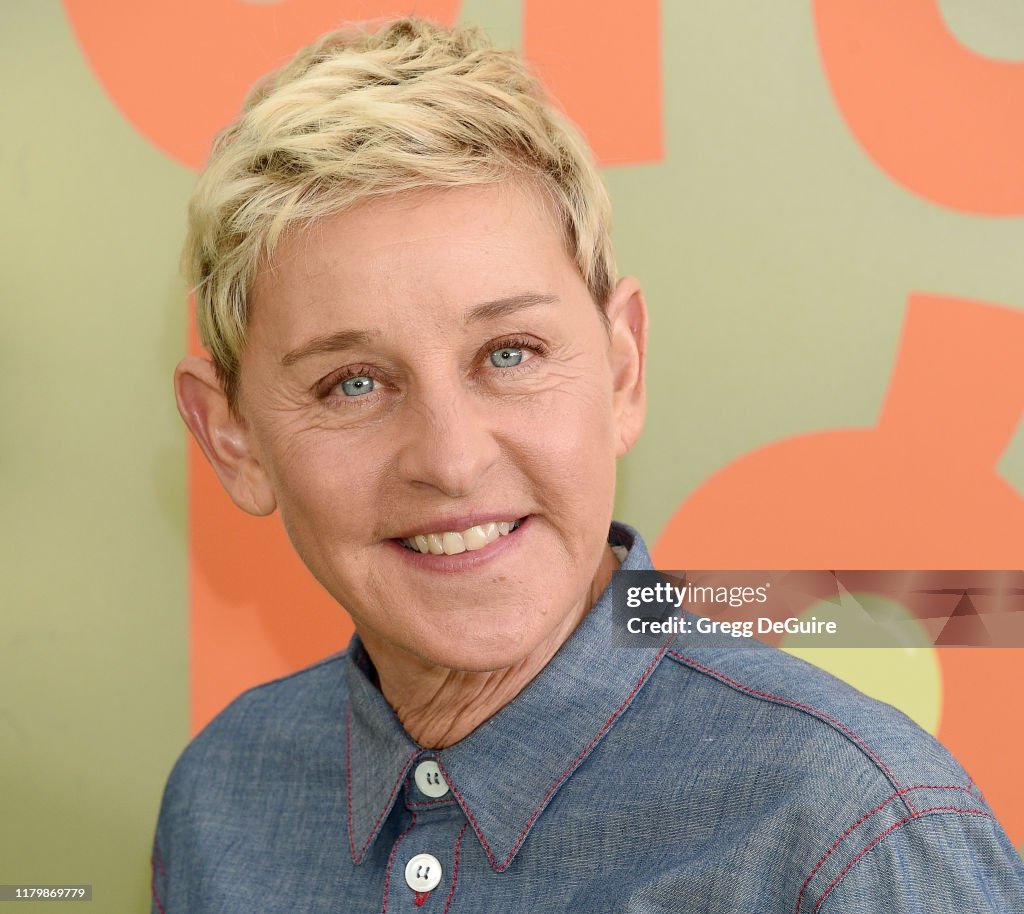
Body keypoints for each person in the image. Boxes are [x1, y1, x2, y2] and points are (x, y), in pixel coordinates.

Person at [151, 17, 1024, 913]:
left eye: (510, 353)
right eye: (354, 383)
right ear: (234, 439)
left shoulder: (850, 831)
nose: (451, 461)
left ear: (622, 369)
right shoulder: (221, 800)